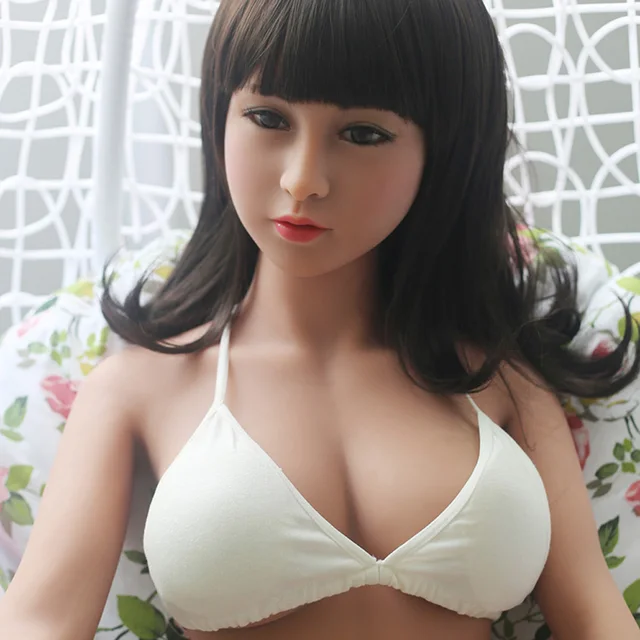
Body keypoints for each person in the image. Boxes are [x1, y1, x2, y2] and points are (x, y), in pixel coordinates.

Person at [1, 0, 639, 638]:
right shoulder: (140, 387)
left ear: (444, 151)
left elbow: (594, 619)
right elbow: (40, 623)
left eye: (362, 134)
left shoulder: (507, 387)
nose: (302, 179)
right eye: (268, 118)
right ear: (218, 117)